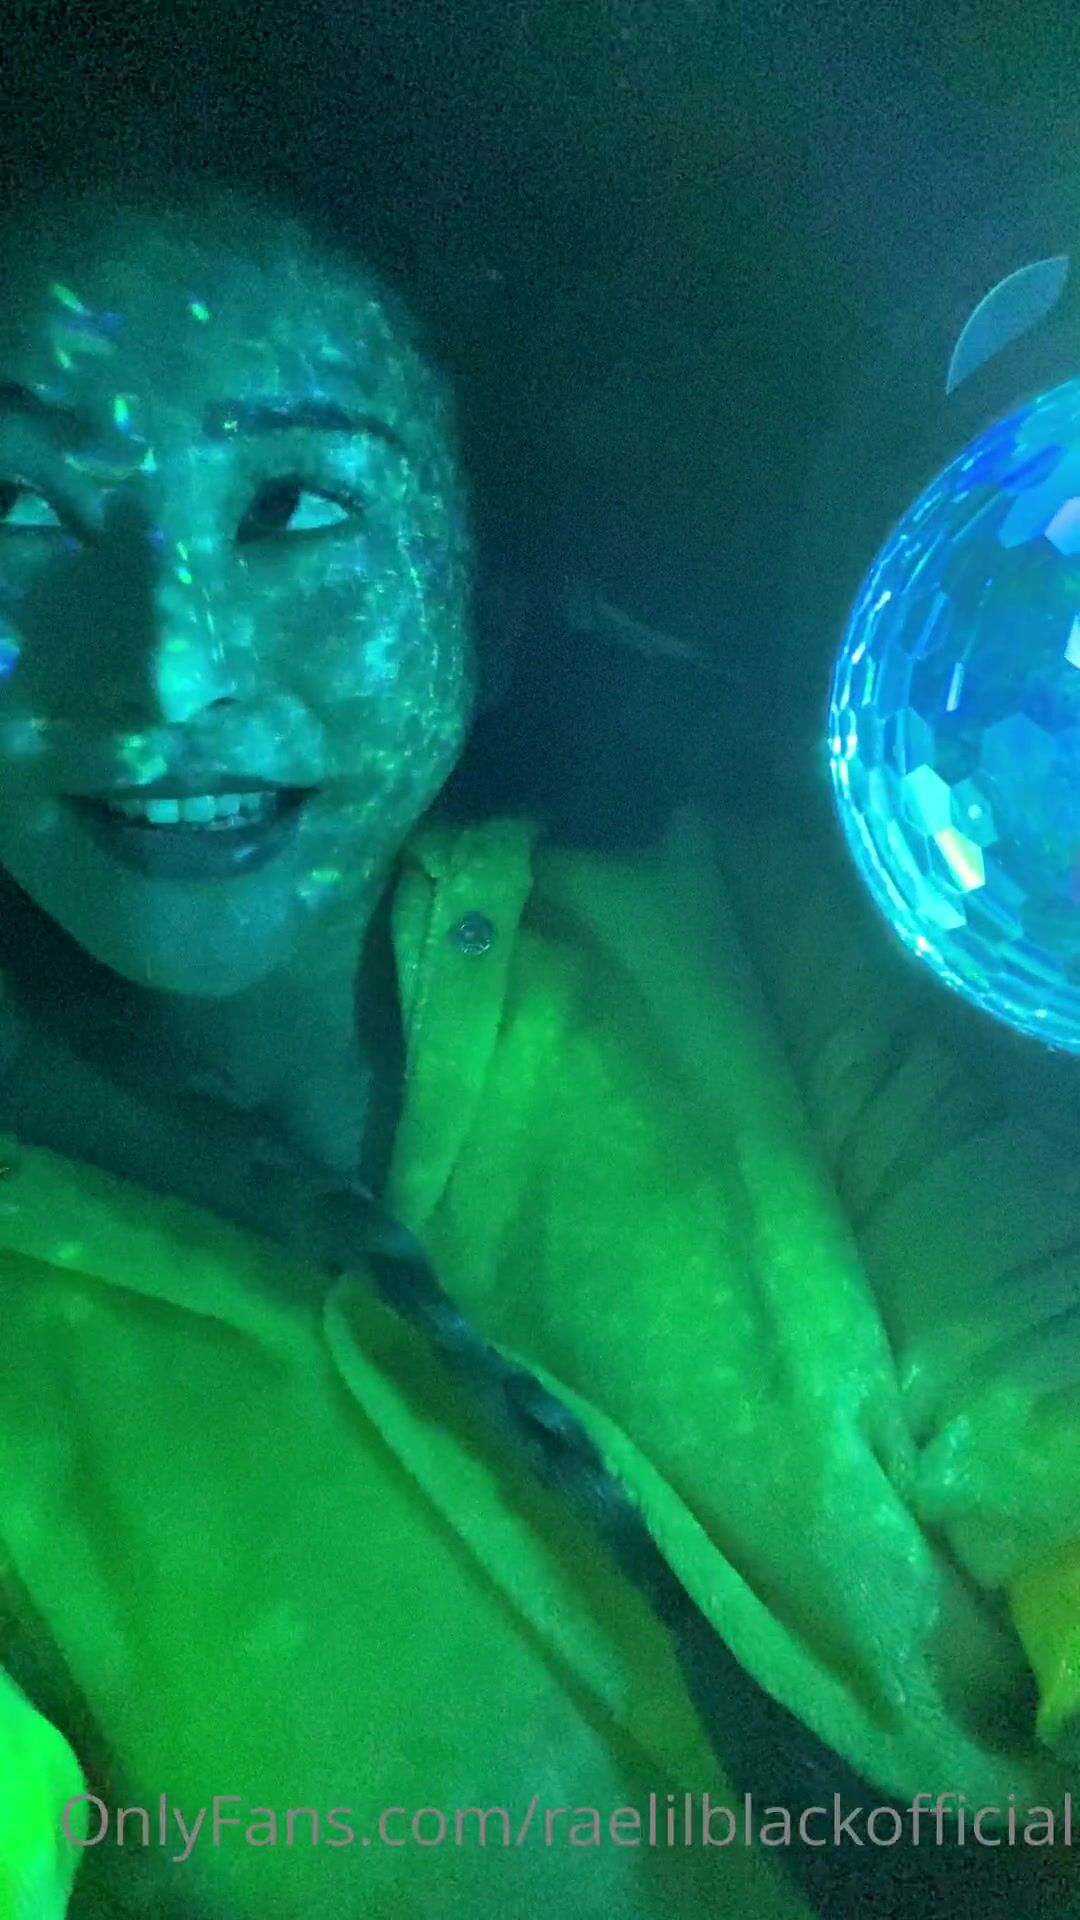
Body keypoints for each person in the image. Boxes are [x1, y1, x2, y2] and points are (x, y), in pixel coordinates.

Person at [0, 176, 1077, 1920]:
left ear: (487, 603)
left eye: (294, 508)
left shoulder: (751, 953)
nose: (168, 674)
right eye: (23, 510)